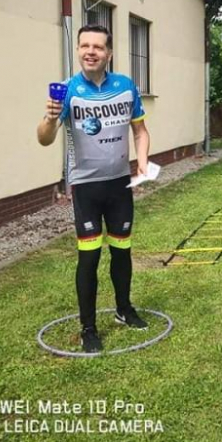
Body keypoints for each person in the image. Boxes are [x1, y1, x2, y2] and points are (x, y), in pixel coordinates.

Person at [37, 24, 150, 353]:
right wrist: (49, 118)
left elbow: (141, 132)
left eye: (98, 47)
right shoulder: (68, 90)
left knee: (122, 251)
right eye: (84, 45)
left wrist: (142, 160)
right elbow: (45, 139)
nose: (90, 51)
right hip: (86, 187)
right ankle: (88, 328)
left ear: (109, 53)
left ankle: (124, 310)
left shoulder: (126, 87)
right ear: (78, 50)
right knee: (89, 259)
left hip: (119, 186)